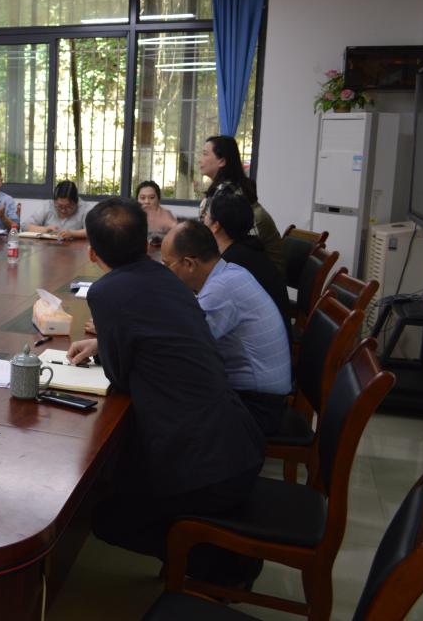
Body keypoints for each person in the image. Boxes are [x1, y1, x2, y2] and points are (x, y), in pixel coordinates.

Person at [66, 198, 265, 587]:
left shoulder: (106, 292)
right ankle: (217, 552)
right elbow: (158, 339)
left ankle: (218, 562)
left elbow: (121, 376)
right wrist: (104, 344)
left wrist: (110, 346)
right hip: (238, 440)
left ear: (92, 252)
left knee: (105, 518)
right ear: (147, 245)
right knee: (122, 478)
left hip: (203, 466)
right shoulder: (167, 277)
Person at [161, 220, 292, 435]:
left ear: (189, 263)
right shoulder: (229, 272)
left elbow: (183, 347)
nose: (165, 273)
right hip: (260, 395)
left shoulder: (220, 289)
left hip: (258, 407)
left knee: (164, 407)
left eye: (167, 265)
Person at [205, 192, 292, 339]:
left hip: (265, 344)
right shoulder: (250, 249)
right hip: (277, 338)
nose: (203, 219)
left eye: (206, 215)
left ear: (216, 226)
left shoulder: (232, 263)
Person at [198, 136, 283, 274]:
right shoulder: (221, 192)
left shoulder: (234, 198)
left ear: (222, 161)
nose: (200, 160)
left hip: (259, 278)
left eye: (205, 154)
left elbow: (244, 254)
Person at [135, 180, 178, 244]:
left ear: (158, 199)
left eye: (152, 198)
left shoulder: (166, 215)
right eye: (142, 198)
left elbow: (181, 237)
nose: (147, 202)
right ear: (137, 200)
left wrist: (171, 224)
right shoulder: (132, 216)